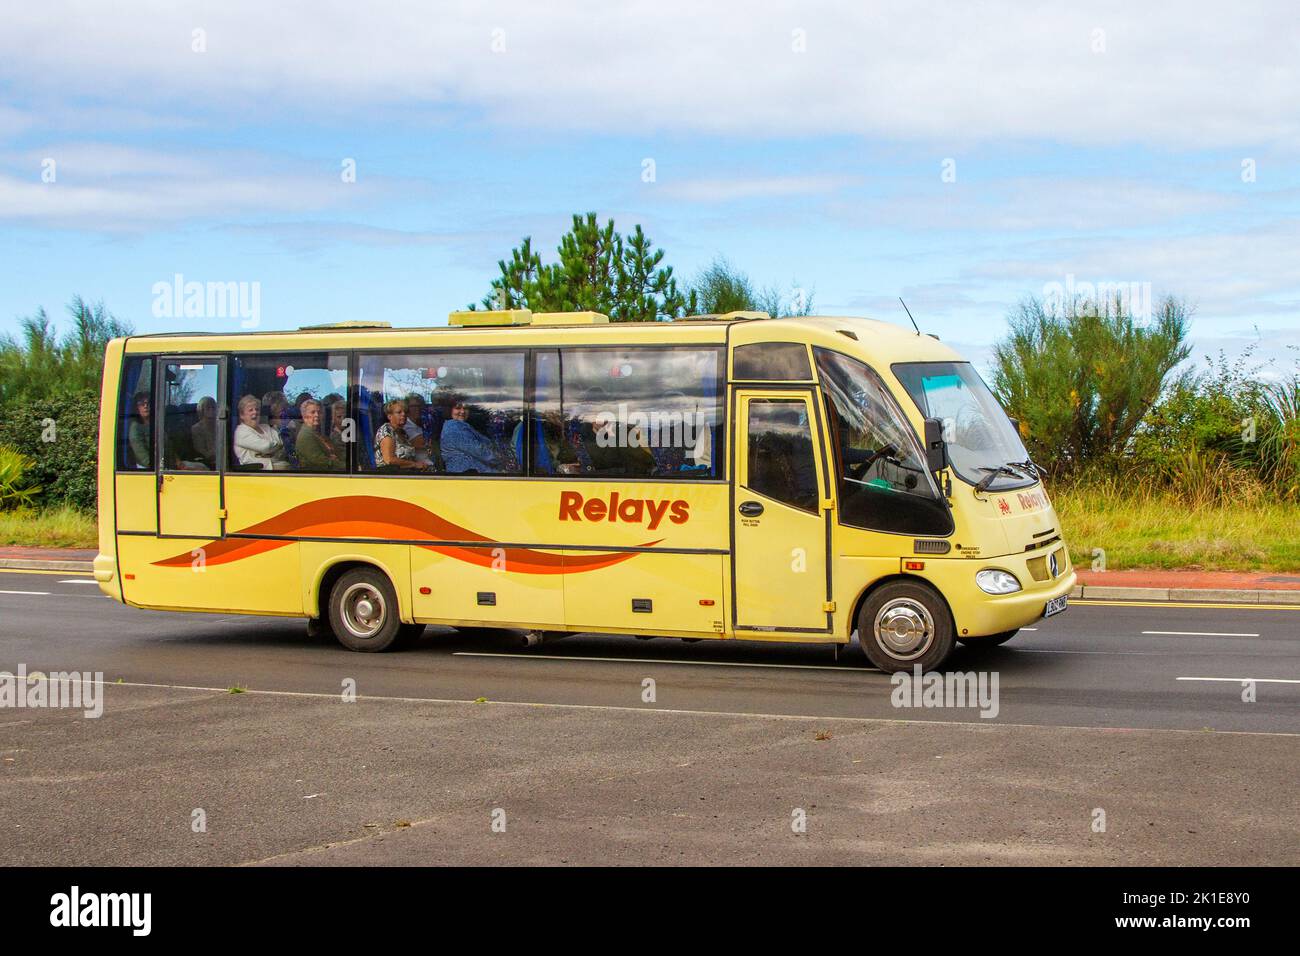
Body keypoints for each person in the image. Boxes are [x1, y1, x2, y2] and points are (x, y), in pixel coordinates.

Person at [439, 397, 501, 474]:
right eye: (458, 408)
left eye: (466, 408)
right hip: (467, 477)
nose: (462, 411)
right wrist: (501, 459)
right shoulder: (453, 427)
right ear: (449, 410)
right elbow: (479, 450)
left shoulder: (462, 425)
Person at [233, 394, 290, 470]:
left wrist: (265, 453)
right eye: (250, 410)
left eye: (257, 409)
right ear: (242, 415)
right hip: (256, 475)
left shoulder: (266, 427)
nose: (255, 412)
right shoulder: (240, 432)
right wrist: (273, 449)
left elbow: (282, 445)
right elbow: (266, 447)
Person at [374, 399, 429, 471]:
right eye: (399, 412)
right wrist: (415, 464)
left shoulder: (402, 432)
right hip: (391, 476)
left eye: (405, 412)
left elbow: (403, 451)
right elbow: (389, 460)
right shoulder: (386, 431)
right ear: (390, 416)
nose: (403, 414)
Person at [295, 398, 344, 472]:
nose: (317, 415)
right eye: (313, 412)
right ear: (304, 415)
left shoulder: (317, 433)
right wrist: (345, 465)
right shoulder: (306, 435)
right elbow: (319, 460)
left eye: (319, 412)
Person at [127, 391, 153, 469]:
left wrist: (177, 462)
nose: (146, 406)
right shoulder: (135, 428)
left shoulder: (156, 424)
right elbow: (144, 459)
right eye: (142, 404)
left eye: (148, 403)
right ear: (137, 407)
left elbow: (168, 446)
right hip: (147, 469)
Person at [190, 396, 218, 468]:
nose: (211, 410)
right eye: (208, 408)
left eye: (213, 407)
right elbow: (201, 451)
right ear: (202, 410)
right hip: (207, 464)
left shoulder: (221, 426)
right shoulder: (196, 429)